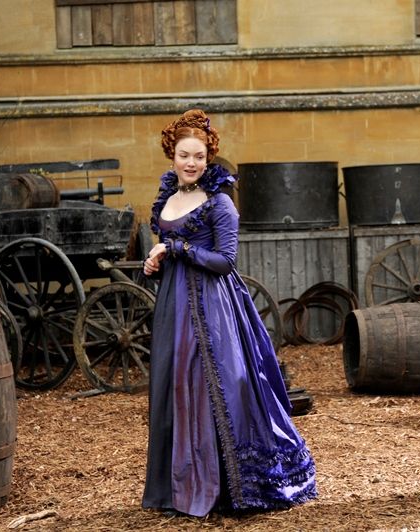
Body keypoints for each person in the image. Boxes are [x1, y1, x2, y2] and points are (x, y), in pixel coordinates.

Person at [141, 109, 317, 517]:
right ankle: (179, 488)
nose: (191, 163)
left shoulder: (219, 202)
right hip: (173, 306)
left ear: (209, 158)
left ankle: (225, 487)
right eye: (184, 155)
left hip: (212, 307)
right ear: (171, 155)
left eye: (199, 156)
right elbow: (167, 254)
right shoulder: (167, 199)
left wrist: (178, 248)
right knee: (175, 386)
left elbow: (225, 261)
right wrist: (153, 264)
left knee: (219, 386)